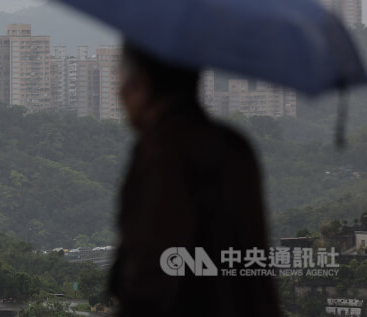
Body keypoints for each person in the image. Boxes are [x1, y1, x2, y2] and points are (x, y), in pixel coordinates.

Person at [109, 43, 280, 316]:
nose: (118, 93)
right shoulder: (235, 145)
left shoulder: (162, 151)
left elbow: (151, 275)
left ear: (141, 84)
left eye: (119, 80)